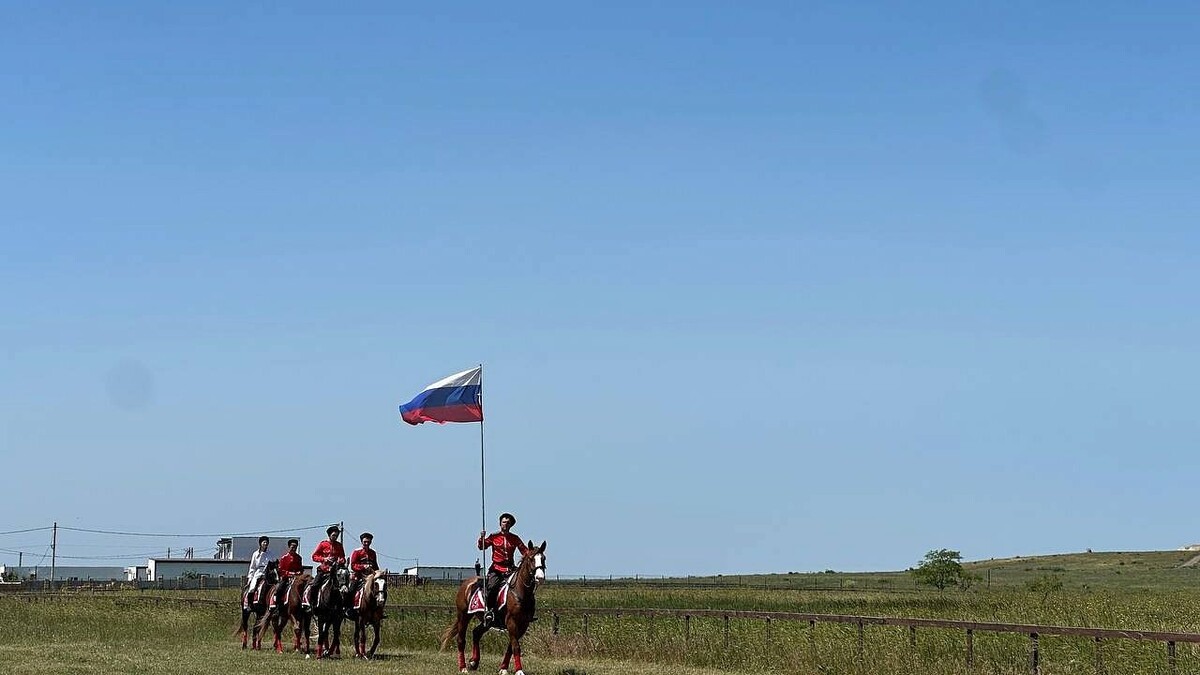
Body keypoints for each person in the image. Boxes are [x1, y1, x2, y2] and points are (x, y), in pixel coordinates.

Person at [477, 512, 528, 625]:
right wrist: (481, 538)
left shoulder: (514, 538)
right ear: (500, 523)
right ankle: (489, 611)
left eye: (508, 523)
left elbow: (524, 551)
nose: (505, 524)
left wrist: (533, 555)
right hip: (496, 569)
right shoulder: (494, 536)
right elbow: (482, 546)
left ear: (511, 525)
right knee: (492, 587)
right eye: (504, 522)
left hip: (510, 569)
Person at [303, 525, 346, 609]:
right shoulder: (323, 544)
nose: (335, 537)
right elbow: (314, 556)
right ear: (329, 535)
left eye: (336, 536)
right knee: (315, 585)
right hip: (324, 570)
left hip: (336, 571)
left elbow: (343, 558)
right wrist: (325, 559)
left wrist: (340, 560)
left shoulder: (339, 545)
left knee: (344, 586)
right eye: (334, 535)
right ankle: (312, 604)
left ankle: (343, 608)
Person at [347, 532, 379, 615]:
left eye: (368, 542)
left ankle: (379, 610)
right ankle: (349, 609)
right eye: (365, 542)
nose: (366, 544)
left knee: (380, 589)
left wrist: (377, 572)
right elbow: (353, 565)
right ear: (361, 542)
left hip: (371, 576)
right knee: (351, 590)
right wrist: (363, 567)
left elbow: (375, 565)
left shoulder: (373, 553)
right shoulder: (357, 552)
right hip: (359, 576)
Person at [245, 536, 275, 609]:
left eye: (267, 542)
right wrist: (250, 578)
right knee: (252, 588)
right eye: (264, 542)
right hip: (258, 572)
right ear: (260, 543)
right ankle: (249, 604)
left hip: (268, 573)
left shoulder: (270, 553)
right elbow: (252, 567)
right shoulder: (255, 554)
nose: (265, 543)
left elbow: (274, 563)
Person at [275, 538, 303, 607]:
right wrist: (290, 573)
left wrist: (299, 572)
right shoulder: (284, 558)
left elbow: (300, 568)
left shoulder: (299, 558)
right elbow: (281, 570)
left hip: (296, 578)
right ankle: (278, 605)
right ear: (289, 547)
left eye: (295, 547)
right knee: (279, 589)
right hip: (286, 578)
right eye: (292, 547)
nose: (294, 548)